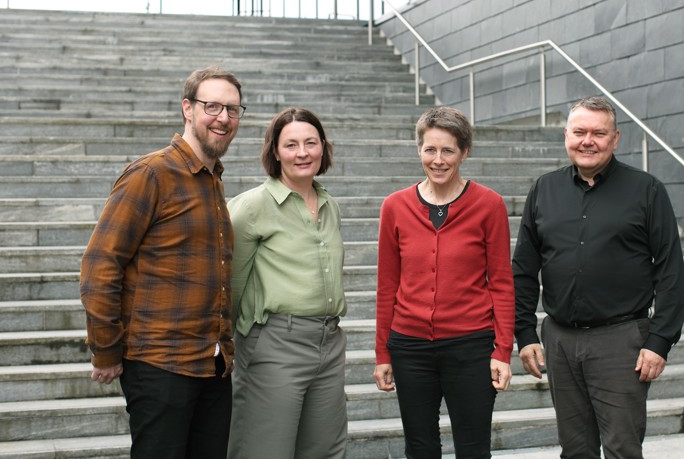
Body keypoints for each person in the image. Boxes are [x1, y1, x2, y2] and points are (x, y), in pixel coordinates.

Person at [80, 66, 244, 459]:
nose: (223, 117)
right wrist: (106, 350)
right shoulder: (151, 173)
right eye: (213, 106)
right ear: (187, 109)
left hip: (212, 364)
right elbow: (100, 266)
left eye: (233, 109)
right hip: (159, 365)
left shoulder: (211, 179)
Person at [513, 95, 684, 458]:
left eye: (598, 133)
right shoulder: (544, 189)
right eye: (579, 132)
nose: (587, 141)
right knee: (575, 450)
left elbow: (670, 271)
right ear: (566, 135)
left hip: (621, 342)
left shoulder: (647, 190)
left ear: (615, 139)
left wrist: (659, 341)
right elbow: (524, 270)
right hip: (559, 341)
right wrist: (525, 331)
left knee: (622, 448)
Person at [373, 106, 516, 459]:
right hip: (410, 348)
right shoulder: (395, 206)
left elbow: (501, 283)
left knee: (473, 448)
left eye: (448, 150)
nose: (438, 160)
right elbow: (387, 286)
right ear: (419, 150)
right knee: (420, 448)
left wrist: (502, 350)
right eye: (430, 149)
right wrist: (382, 353)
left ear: (464, 152)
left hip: (470, 346)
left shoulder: (489, 205)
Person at [226, 107, 347, 459]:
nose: (302, 152)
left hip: (328, 341)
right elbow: (230, 285)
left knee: (325, 450)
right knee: (265, 450)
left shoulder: (329, 205)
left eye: (311, 142)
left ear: (323, 148)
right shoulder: (251, 208)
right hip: (275, 344)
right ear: (275, 152)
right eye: (291, 144)